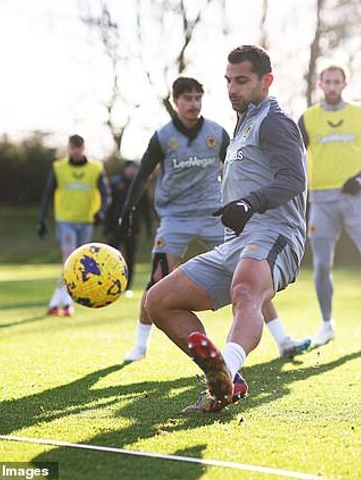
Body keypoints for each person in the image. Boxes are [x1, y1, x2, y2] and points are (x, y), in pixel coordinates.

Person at [145, 45, 308, 413]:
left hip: (275, 234)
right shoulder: (243, 122)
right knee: (158, 301)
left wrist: (249, 203)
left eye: (242, 81)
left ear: (266, 81)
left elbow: (293, 179)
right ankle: (219, 373)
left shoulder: (275, 122)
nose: (232, 89)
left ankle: (228, 371)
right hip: (234, 243)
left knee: (245, 290)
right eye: (229, 81)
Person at [120, 76, 310, 364]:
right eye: (187, 99)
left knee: (251, 275)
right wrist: (128, 208)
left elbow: (238, 165)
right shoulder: (162, 136)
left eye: (198, 98)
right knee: (158, 280)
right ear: (175, 102)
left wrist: (248, 202)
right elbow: (145, 171)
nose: (193, 104)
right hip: (175, 218)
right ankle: (140, 346)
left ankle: (283, 340)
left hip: (215, 215)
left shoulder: (217, 132)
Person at [297, 65, 361, 347]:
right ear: (320, 84)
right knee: (321, 265)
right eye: (327, 82)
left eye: (337, 82)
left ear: (345, 84)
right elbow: (294, 154)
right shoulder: (307, 118)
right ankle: (326, 324)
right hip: (321, 200)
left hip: (358, 199)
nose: (332, 87)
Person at [38, 134, 110, 317]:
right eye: (73, 148)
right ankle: (66, 302)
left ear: (84, 148)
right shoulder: (59, 167)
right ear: (68, 148)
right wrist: (42, 219)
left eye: (79, 148)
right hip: (65, 220)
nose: (76, 151)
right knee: (69, 257)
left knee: (77, 263)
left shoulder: (96, 167)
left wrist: (101, 212)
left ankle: (58, 301)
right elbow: (47, 193)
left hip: (86, 221)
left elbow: (106, 193)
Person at [104, 160, 152, 297]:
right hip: (116, 228)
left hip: (133, 228)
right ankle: (109, 283)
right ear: (125, 169)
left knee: (130, 258)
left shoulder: (140, 187)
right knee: (111, 259)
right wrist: (106, 227)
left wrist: (148, 228)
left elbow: (146, 209)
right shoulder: (115, 184)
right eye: (131, 168)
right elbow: (109, 208)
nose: (133, 171)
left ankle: (127, 286)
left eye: (135, 168)